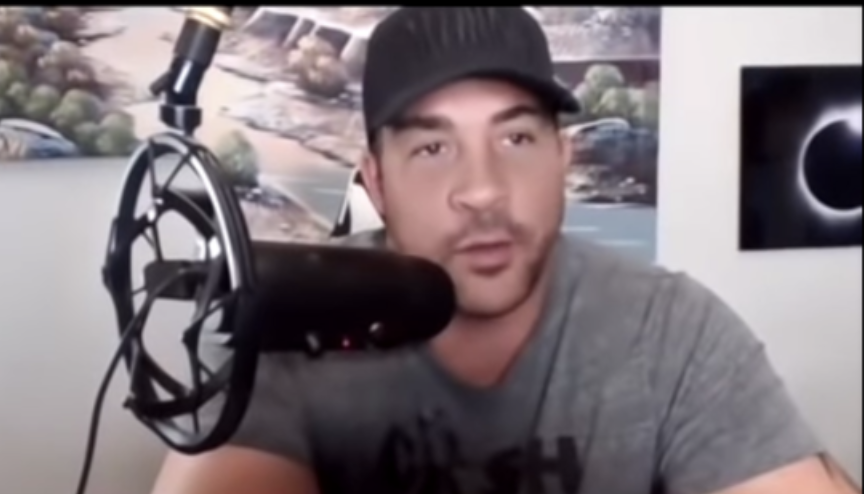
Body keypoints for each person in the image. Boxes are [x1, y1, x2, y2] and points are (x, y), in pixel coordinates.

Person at [152, 7, 860, 494]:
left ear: (562, 157)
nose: (483, 190)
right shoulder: (286, 329)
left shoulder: (673, 331)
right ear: (377, 181)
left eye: (516, 138)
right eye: (433, 148)